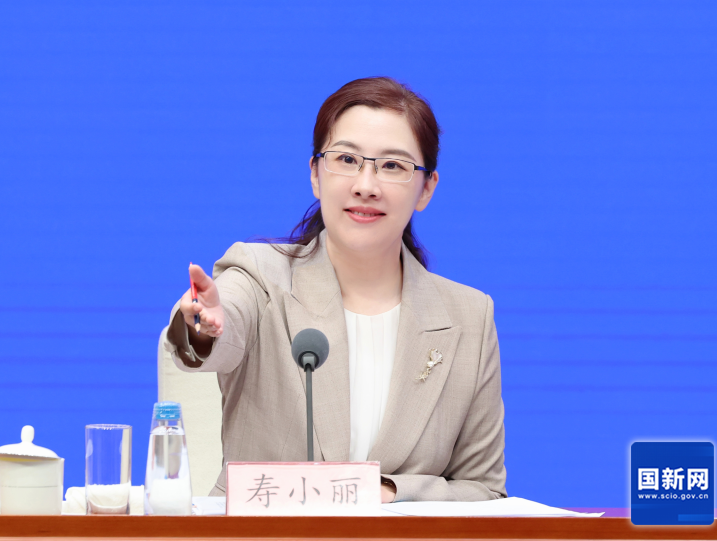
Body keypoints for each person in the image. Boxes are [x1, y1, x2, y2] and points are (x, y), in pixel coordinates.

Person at [163, 77, 507, 503]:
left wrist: (387, 491)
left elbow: (484, 491)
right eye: (346, 159)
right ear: (315, 174)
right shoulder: (259, 275)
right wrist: (204, 327)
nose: (366, 185)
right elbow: (223, 324)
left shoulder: (469, 317)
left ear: (427, 188)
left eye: (392, 166)